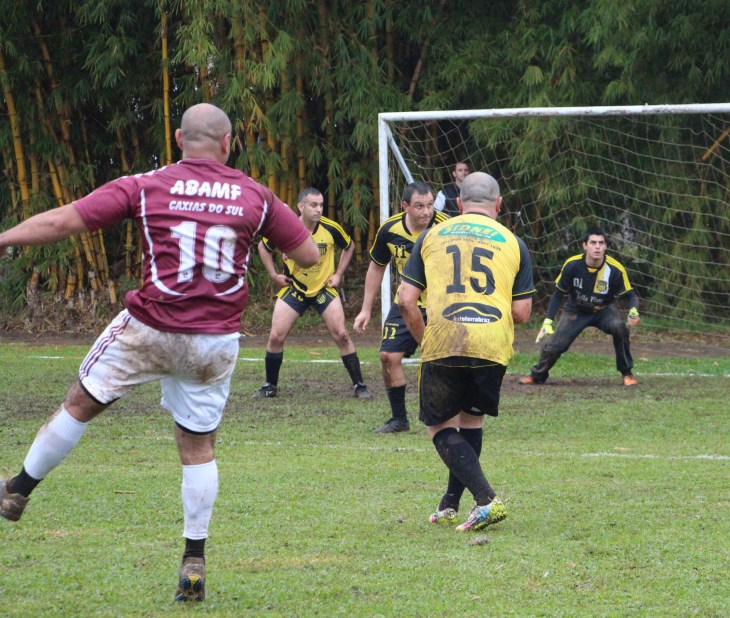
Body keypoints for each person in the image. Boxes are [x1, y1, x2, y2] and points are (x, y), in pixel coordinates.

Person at [0, 103, 318, 603]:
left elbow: (66, 222)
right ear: (228, 143)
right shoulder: (254, 196)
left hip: (150, 327)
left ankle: (18, 487)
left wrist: (4, 240)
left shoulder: (146, 185)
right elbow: (308, 255)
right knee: (198, 448)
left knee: (80, 404)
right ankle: (194, 557)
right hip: (212, 342)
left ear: (177, 138)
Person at [398, 171, 534, 532]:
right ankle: (450, 503)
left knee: (437, 425)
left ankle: (487, 500)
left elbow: (406, 299)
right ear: (499, 205)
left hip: (445, 338)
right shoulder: (514, 242)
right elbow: (522, 313)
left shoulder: (431, 235)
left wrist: (425, 338)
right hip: (491, 345)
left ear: (458, 204)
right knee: (470, 421)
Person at [254, 187, 369, 400]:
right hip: (295, 288)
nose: (319, 210)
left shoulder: (331, 228)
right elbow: (263, 247)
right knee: (276, 336)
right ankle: (269, 386)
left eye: (321, 205)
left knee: (342, 335)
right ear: (300, 207)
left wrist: (339, 274)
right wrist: (273, 275)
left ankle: (359, 385)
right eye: (313, 205)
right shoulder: (287, 226)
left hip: (323, 289)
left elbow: (350, 246)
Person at [352, 181, 447, 433]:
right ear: (405, 206)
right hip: (406, 303)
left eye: (429, 205)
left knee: (446, 360)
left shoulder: (446, 226)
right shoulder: (390, 229)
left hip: (442, 305)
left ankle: (450, 415)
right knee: (388, 356)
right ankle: (399, 419)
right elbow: (376, 267)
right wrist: (365, 309)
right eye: (419, 206)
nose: (426, 212)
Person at [518, 226, 640, 387]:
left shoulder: (615, 269)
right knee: (555, 345)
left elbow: (631, 296)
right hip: (576, 310)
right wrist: (548, 321)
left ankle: (627, 373)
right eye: (593, 242)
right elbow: (558, 294)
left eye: (601, 243)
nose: (597, 246)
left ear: (605, 246)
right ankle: (537, 375)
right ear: (585, 245)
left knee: (619, 327)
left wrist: (633, 309)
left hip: (604, 310)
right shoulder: (572, 265)